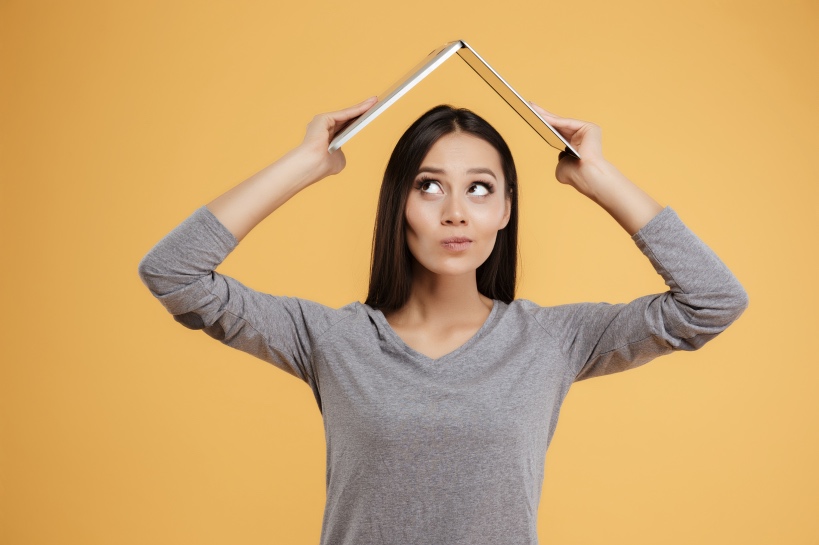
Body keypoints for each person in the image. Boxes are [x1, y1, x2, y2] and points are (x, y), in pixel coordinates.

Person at [138, 96, 748, 545]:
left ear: (507, 209)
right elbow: (174, 274)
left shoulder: (552, 342)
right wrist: (304, 165)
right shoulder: (332, 340)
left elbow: (713, 301)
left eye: (480, 189)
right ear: (398, 204)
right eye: (429, 186)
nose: (456, 212)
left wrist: (601, 180)